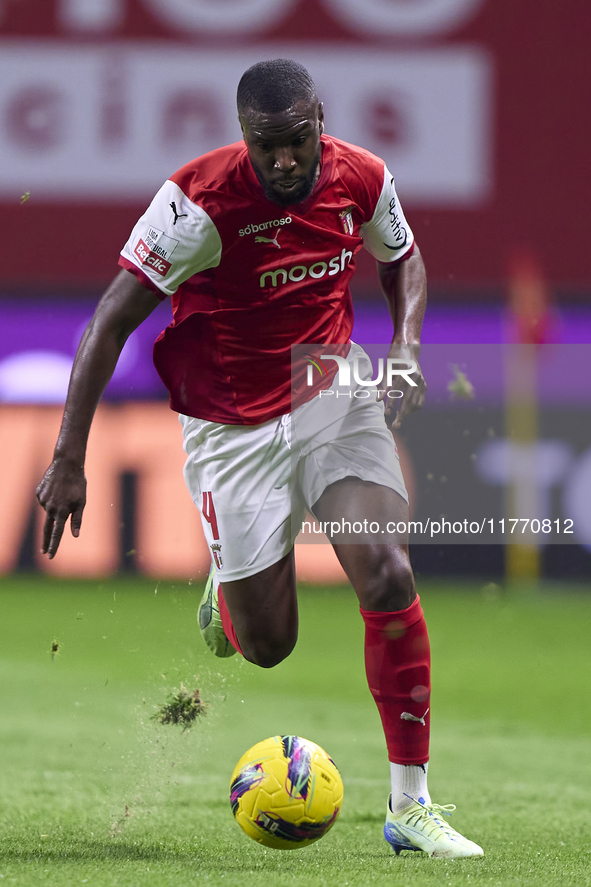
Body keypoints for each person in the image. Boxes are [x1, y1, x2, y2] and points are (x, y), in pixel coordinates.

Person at [36, 59, 483, 859]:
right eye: (265, 146)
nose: (284, 161)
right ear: (244, 137)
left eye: (297, 141)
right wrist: (70, 457)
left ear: (321, 120)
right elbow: (109, 321)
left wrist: (406, 346)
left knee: (385, 569)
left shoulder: (361, 177)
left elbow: (402, 256)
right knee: (269, 644)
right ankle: (230, 592)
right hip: (228, 418)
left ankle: (410, 806)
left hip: (327, 384)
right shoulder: (196, 202)